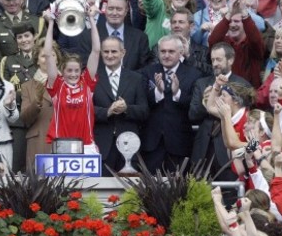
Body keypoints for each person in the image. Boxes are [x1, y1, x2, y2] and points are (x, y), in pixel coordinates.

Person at [42, 4, 100, 154]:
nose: (73, 74)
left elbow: (96, 51)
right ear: (62, 71)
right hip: (62, 145)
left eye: (76, 70)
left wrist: (92, 19)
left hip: (87, 145)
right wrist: (50, 23)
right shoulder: (57, 85)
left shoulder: (86, 82)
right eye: (69, 71)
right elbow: (48, 54)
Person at [139, 34, 200, 173]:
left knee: (179, 191)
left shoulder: (193, 74)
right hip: (152, 144)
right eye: (163, 51)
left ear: (180, 53)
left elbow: (194, 107)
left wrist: (177, 92)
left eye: (171, 51)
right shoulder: (147, 72)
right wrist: (158, 92)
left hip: (179, 143)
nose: (166, 55)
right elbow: (142, 101)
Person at [189, 42, 250, 179]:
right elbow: (193, 115)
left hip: (228, 145)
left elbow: (244, 116)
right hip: (203, 147)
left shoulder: (242, 85)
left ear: (231, 60)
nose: (215, 63)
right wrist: (205, 103)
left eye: (219, 59)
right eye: (212, 60)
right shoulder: (202, 83)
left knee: (229, 192)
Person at [93, 36, 149, 176]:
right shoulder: (93, 78)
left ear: (123, 53)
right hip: (101, 145)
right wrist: (107, 111)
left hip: (129, 146)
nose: (110, 55)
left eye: (114, 51)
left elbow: (144, 111)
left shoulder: (136, 78)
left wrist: (127, 109)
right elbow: (85, 110)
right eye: (106, 52)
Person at [78, 0, 151, 72]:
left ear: (126, 11)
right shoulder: (88, 36)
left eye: (119, 9)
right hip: (98, 84)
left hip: (130, 83)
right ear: (105, 9)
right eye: (111, 8)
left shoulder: (140, 38)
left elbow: (144, 71)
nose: (114, 13)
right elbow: (84, 69)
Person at [0, 22, 37, 172]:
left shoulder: (43, 58)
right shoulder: (7, 61)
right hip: (18, 120)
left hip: (39, 118)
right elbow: (5, 91)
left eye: (27, 35)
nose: (24, 40)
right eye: (20, 37)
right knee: (16, 163)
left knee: (38, 164)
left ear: (34, 37)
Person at [207, 0, 264, 88]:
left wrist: (244, 12)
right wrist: (229, 13)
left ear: (245, 24)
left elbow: (255, 40)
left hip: (247, 94)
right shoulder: (224, 42)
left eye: (237, 21)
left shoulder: (252, 44)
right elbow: (212, 41)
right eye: (230, 21)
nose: (232, 25)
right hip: (223, 91)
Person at [20, 41, 59, 170]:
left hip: (63, 141)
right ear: (37, 60)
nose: (48, 59)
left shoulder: (68, 84)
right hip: (39, 141)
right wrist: (37, 101)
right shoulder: (27, 87)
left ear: (57, 59)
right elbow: (25, 119)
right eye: (44, 56)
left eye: (52, 55)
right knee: (39, 187)